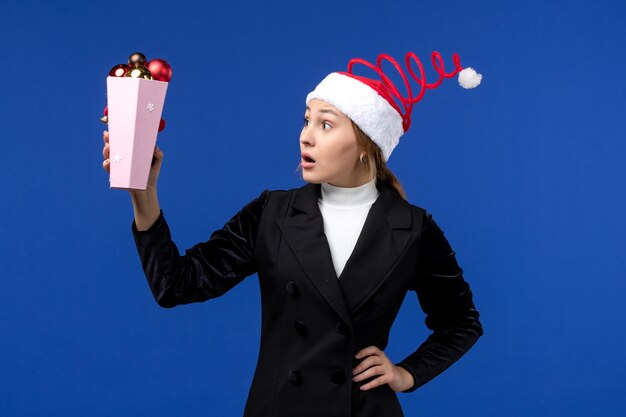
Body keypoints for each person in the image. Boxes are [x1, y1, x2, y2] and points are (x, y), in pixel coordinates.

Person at [101, 51, 484, 417]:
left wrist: (407, 373)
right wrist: (144, 197)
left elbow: (461, 321)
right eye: (306, 121)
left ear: (367, 146)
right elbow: (177, 285)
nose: (306, 136)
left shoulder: (412, 228)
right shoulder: (273, 213)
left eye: (326, 124)